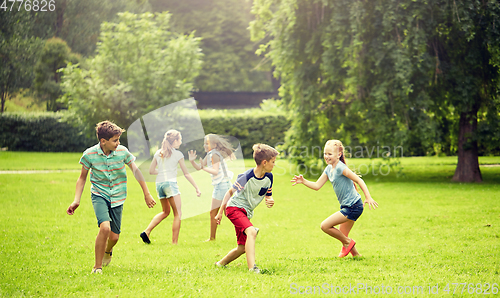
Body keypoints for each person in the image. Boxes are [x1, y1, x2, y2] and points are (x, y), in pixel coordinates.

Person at [66, 120, 156, 274]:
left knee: (114, 237)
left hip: (118, 196)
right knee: (105, 228)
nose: (118, 143)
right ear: (103, 141)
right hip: (99, 195)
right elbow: (82, 178)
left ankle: (108, 251)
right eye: (115, 140)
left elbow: (136, 171)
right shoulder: (89, 154)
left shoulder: (122, 152)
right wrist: (76, 200)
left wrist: (146, 193)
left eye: (118, 140)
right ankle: (97, 266)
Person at [291, 139, 378, 258]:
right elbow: (317, 186)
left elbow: (359, 180)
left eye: (330, 154)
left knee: (325, 226)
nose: (326, 156)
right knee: (342, 235)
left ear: (339, 154)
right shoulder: (329, 168)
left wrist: (368, 197)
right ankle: (357, 255)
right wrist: (303, 181)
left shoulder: (340, 168)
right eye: (325, 153)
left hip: (353, 206)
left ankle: (348, 243)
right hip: (348, 206)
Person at [215, 143, 278, 273]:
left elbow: (268, 195)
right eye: (273, 162)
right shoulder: (247, 176)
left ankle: (220, 264)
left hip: (246, 212)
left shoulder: (269, 177)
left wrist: (270, 200)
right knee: (252, 232)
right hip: (234, 208)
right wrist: (220, 212)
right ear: (264, 162)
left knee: (242, 247)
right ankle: (252, 268)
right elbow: (229, 193)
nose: (274, 164)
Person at [140, 130, 201, 245]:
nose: (181, 142)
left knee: (165, 211)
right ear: (175, 141)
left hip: (159, 184)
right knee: (178, 214)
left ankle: (146, 231)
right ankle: (174, 243)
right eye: (180, 139)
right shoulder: (178, 154)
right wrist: (196, 187)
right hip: (170, 184)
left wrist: (164, 171)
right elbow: (186, 173)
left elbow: (152, 171)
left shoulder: (158, 152)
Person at [188, 134, 235, 241]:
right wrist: (192, 161)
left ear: (214, 145)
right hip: (221, 185)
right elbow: (199, 167)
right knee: (227, 212)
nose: (204, 145)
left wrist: (204, 168)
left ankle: (247, 230)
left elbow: (215, 170)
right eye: (204, 143)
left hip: (222, 186)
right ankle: (212, 238)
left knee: (221, 213)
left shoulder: (214, 155)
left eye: (207, 143)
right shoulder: (210, 154)